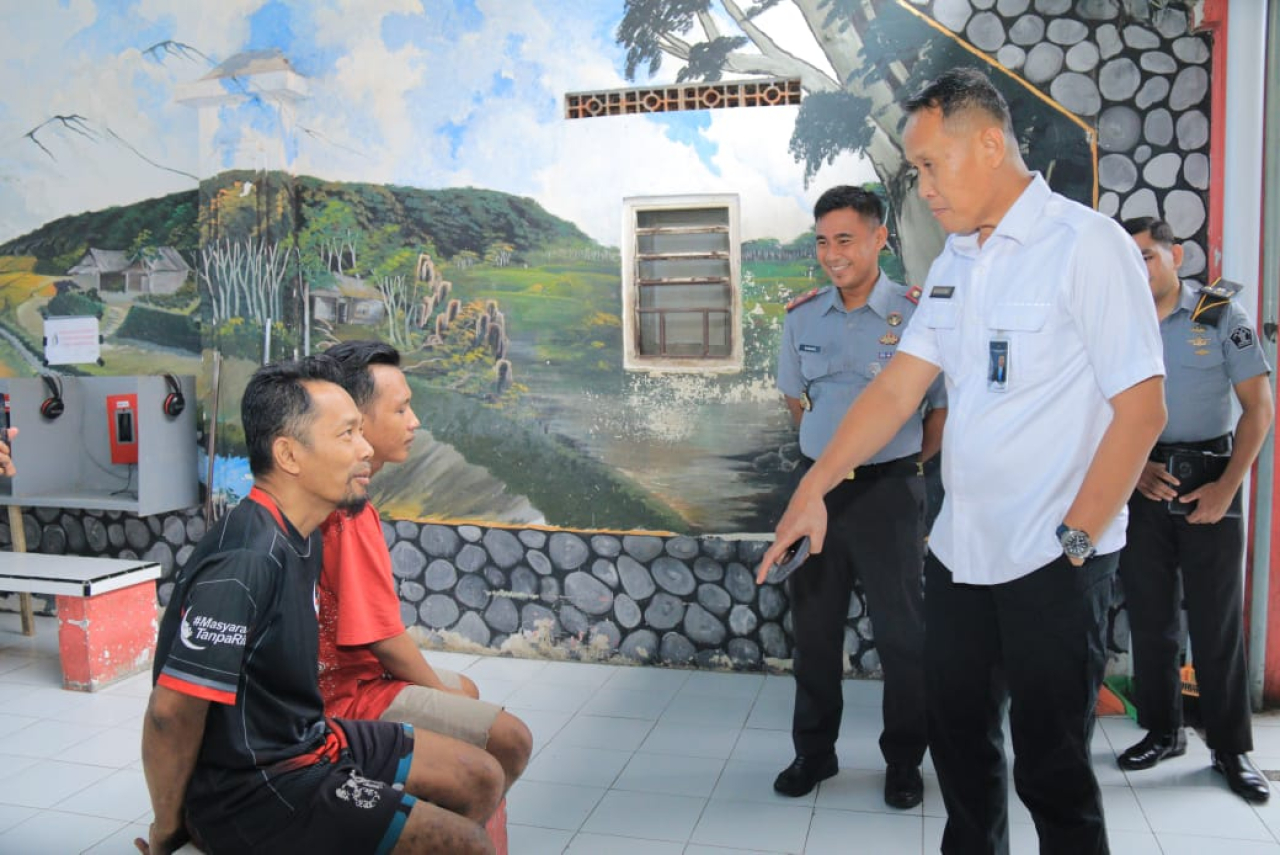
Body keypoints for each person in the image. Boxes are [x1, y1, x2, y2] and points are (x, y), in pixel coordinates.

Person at [757, 67, 1167, 855]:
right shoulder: (954, 265)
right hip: (959, 558)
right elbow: (893, 393)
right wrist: (814, 484)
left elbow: (1142, 409)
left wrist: (1077, 542)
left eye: (931, 167)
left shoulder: (1087, 246)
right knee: (963, 755)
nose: (925, 188)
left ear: (988, 143)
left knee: (1052, 768)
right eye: (917, 172)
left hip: (1055, 557)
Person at [137, 356, 502, 855]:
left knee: (478, 775)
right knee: (467, 845)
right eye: (348, 434)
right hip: (255, 786)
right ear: (289, 454)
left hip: (306, 740)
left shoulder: (301, 533)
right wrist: (167, 826)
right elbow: (170, 711)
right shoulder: (246, 560)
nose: (366, 448)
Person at [768, 185, 945, 809]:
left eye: (845, 239)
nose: (831, 253)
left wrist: (900, 468)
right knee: (814, 635)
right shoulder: (801, 317)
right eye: (822, 240)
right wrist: (826, 465)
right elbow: (796, 404)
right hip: (817, 494)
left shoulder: (920, 314)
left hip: (890, 495)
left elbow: (938, 411)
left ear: (879, 239)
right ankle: (813, 754)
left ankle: (903, 763)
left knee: (903, 637)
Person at [319, 339, 532, 792]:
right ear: (354, 421)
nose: (414, 422)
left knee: (467, 692)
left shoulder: (349, 502)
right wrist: (437, 690)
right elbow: (382, 638)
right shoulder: (346, 517)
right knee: (510, 739)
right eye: (401, 411)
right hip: (343, 698)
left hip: (357, 679)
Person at [1115, 217, 1273, 803]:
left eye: (1148, 255)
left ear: (1175, 254)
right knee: (1151, 618)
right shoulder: (1114, 322)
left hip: (1211, 477)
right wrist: (1132, 470)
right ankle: (1163, 729)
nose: (1139, 268)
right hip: (1141, 477)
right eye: (1127, 259)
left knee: (1216, 621)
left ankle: (1230, 749)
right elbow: (1092, 408)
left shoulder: (1217, 314)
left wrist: (1228, 486)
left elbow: (1258, 408)